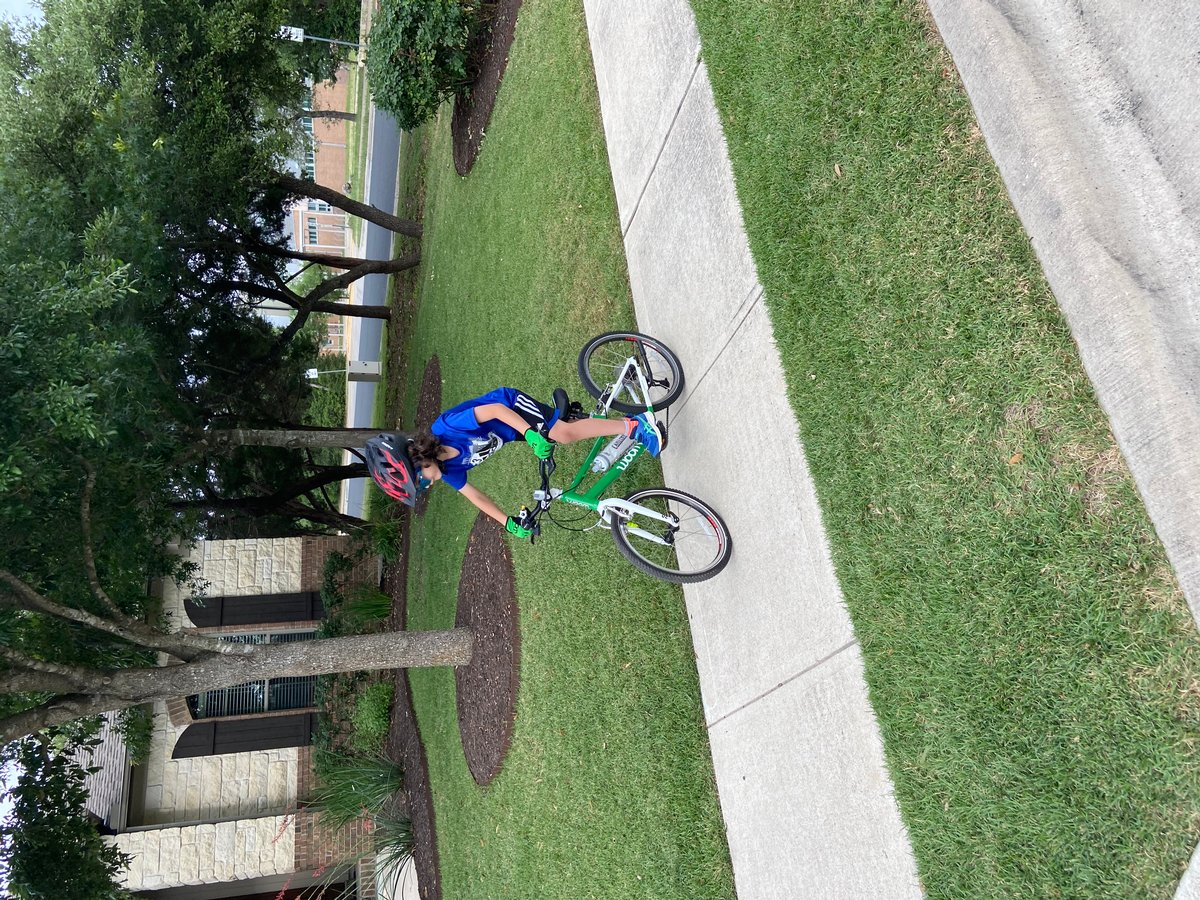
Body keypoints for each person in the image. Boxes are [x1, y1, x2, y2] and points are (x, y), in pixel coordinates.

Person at [410, 387, 663, 537]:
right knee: (563, 429)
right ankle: (596, 418)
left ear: (421, 458)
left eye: (422, 478)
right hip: (510, 433)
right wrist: (507, 523)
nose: (429, 483)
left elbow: (496, 410)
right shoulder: (447, 470)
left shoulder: (446, 428)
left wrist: (531, 434)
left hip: (511, 407)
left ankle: (636, 426)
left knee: (561, 434)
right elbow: (476, 497)